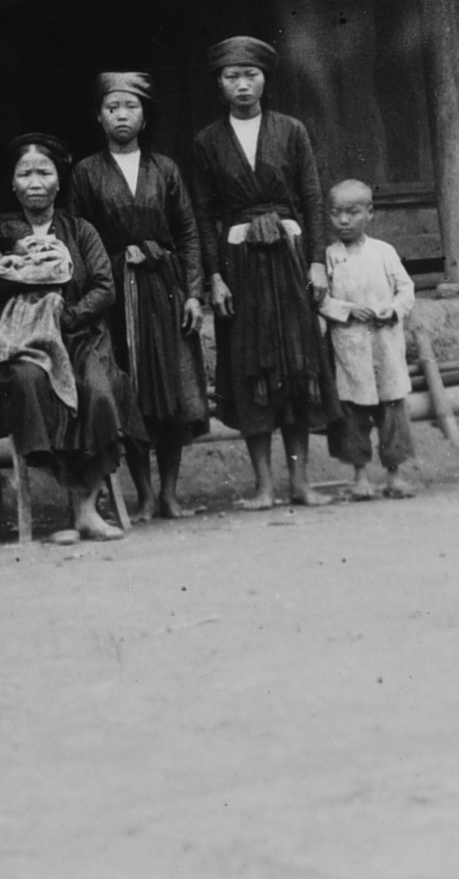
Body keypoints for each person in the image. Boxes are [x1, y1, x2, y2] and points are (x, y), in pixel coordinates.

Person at [188, 36, 333, 509]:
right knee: (250, 365)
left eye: (250, 75)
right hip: (240, 264)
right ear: (219, 84)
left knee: (295, 365)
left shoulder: (291, 130)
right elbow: (204, 213)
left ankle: (302, 483)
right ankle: (264, 486)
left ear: (264, 79)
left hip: (289, 260)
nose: (242, 85)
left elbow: (311, 198)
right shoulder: (207, 142)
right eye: (232, 77)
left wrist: (316, 260)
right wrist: (214, 276)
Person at [0, 133, 124, 545]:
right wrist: (22, 269)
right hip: (27, 344)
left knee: (98, 390)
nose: (34, 181)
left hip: (80, 338)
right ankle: (78, 504)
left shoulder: (80, 229)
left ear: (58, 182)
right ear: (13, 184)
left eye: (44, 172)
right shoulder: (0, 234)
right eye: (25, 173)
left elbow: (105, 287)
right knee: (28, 384)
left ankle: (86, 511)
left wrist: (68, 315)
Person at [68, 71, 209, 521]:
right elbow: (77, 238)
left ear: (144, 117)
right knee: (133, 392)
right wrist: (114, 258)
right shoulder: (87, 173)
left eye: (130, 107)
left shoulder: (165, 169)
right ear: (99, 117)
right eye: (113, 108)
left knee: (173, 391)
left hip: (165, 290)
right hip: (117, 298)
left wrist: (192, 294)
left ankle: (170, 494)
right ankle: (144, 495)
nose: (121, 115)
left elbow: (187, 231)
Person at [319, 179, 419, 501]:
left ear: (370, 213)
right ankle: (360, 477)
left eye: (352, 212)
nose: (344, 221)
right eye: (336, 214)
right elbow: (319, 299)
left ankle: (395, 476)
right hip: (349, 347)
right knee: (353, 413)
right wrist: (346, 311)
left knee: (392, 411)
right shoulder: (328, 257)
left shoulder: (384, 252)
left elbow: (406, 289)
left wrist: (390, 311)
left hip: (385, 344)